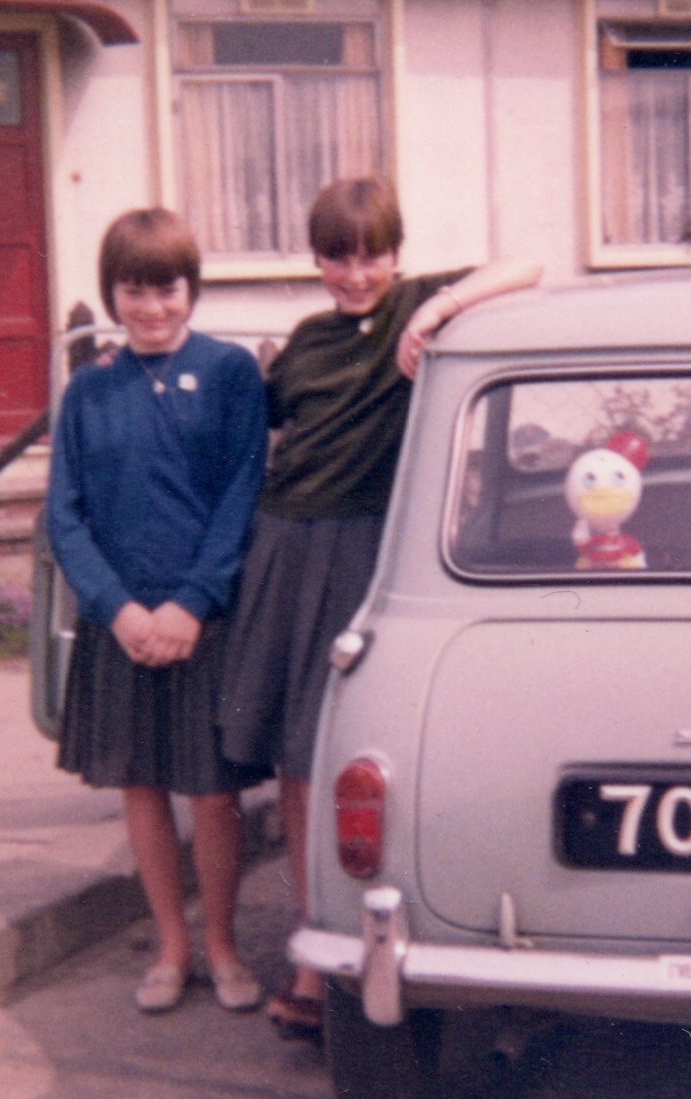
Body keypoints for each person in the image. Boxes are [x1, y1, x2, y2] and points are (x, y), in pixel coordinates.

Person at [221, 177, 542, 1037]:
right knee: (296, 754)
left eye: (370, 255)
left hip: (368, 548)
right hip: (286, 547)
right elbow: (266, 427)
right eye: (336, 256)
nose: (355, 273)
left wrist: (436, 315)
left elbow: (528, 265)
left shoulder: (413, 306)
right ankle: (309, 941)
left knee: (354, 746)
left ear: (394, 253)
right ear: (317, 258)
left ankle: (355, 931)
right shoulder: (307, 340)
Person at [47, 208, 270, 1016]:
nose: (150, 308)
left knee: (212, 793)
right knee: (141, 785)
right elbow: (63, 517)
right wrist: (118, 610)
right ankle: (172, 946)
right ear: (112, 294)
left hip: (201, 623)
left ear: (191, 290)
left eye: (166, 289)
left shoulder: (229, 374)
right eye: (134, 291)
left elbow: (243, 496)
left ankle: (222, 943)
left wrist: (190, 604)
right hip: (124, 627)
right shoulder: (89, 390)